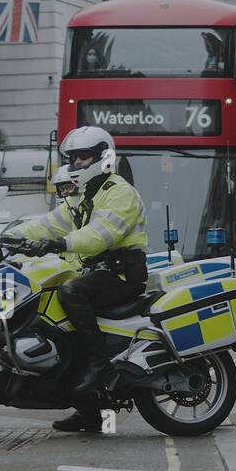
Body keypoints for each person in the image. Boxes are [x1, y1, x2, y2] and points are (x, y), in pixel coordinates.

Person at [13, 126, 149, 433]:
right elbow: (47, 224)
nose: (76, 165)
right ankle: (90, 411)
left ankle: (99, 368)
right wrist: (7, 237)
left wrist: (63, 243)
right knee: (51, 315)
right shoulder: (83, 196)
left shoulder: (119, 192)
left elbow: (101, 235)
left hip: (123, 275)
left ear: (104, 157)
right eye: (72, 159)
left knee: (70, 292)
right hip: (98, 274)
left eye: (83, 157)